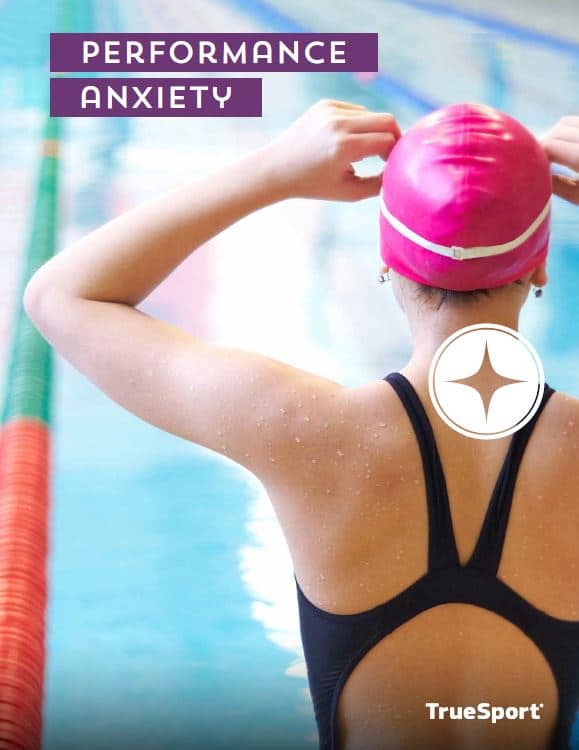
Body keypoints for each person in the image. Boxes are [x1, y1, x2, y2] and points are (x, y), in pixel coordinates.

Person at [24, 101, 579, 750]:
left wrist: (273, 171)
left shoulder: (305, 431)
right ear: (540, 265)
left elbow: (61, 296)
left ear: (387, 261)